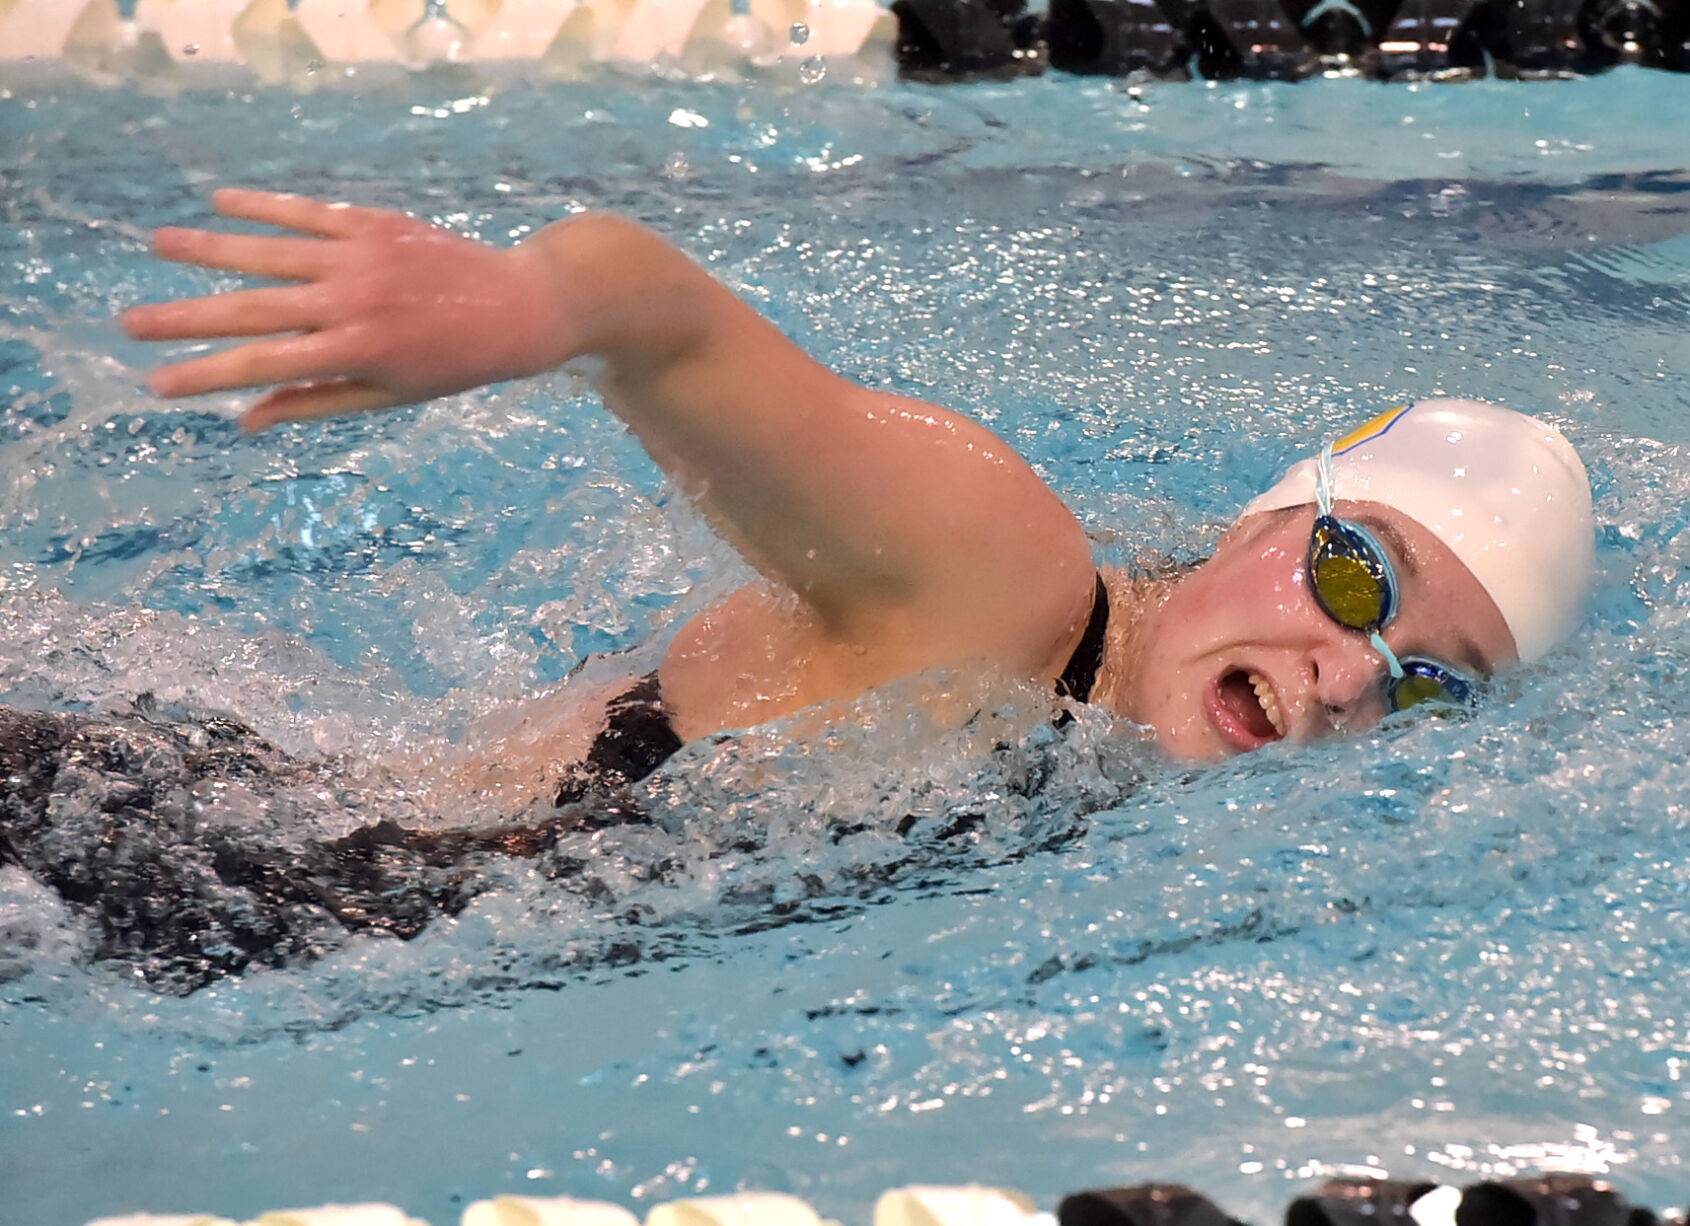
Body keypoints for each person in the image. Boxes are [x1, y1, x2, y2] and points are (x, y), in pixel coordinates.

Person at [0, 190, 1597, 992]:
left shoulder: (1104, 741)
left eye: (1423, 678)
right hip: (188, 859)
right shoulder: (1001, 569)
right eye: (1350, 572)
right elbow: (658, 309)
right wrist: (515, 304)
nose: (1346, 669)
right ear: (1267, 524)